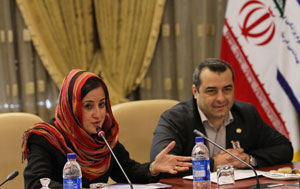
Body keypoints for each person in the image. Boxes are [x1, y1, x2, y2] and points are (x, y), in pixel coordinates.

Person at [22, 69, 192, 189]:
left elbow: (127, 172)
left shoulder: (103, 136)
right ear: (71, 107)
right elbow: (37, 184)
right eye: (88, 106)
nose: (98, 114)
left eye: (102, 105)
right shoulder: (46, 138)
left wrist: (152, 168)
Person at [150, 58, 293, 177]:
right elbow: (162, 164)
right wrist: (213, 164)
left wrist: (248, 159)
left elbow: (284, 148)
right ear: (195, 91)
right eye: (211, 91)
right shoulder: (175, 118)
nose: (221, 98)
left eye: (227, 89)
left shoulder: (245, 113)